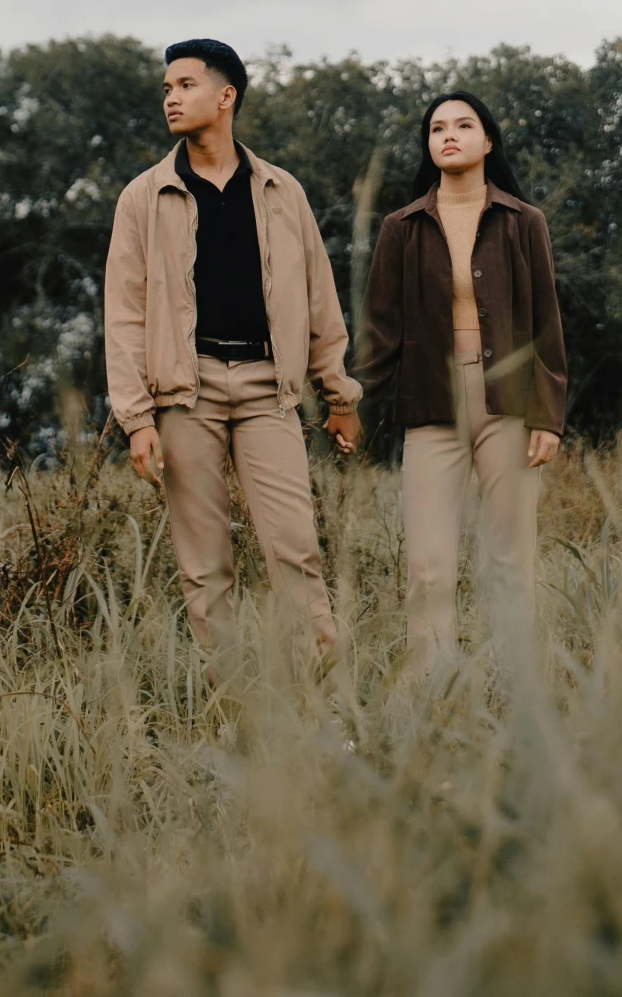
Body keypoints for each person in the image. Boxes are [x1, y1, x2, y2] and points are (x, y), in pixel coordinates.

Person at [104, 39, 363, 659]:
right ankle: (234, 709)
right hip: (183, 393)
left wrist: (338, 393)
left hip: (269, 387)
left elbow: (319, 298)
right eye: (166, 88)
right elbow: (124, 313)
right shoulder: (144, 195)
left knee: (295, 547)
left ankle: (327, 701)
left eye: (185, 85)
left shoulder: (281, 190)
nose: (171, 98)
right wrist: (137, 418)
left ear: (226, 97)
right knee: (204, 564)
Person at [362, 90, 566, 664]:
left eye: (464, 125)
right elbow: (379, 330)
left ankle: (511, 690)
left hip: (508, 404)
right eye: (437, 128)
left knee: (509, 560)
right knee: (428, 569)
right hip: (431, 404)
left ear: (488, 140)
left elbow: (546, 324)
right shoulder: (400, 227)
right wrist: (347, 402)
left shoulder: (523, 222)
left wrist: (548, 416)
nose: (448, 135)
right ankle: (433, 699)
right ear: (428, 145)